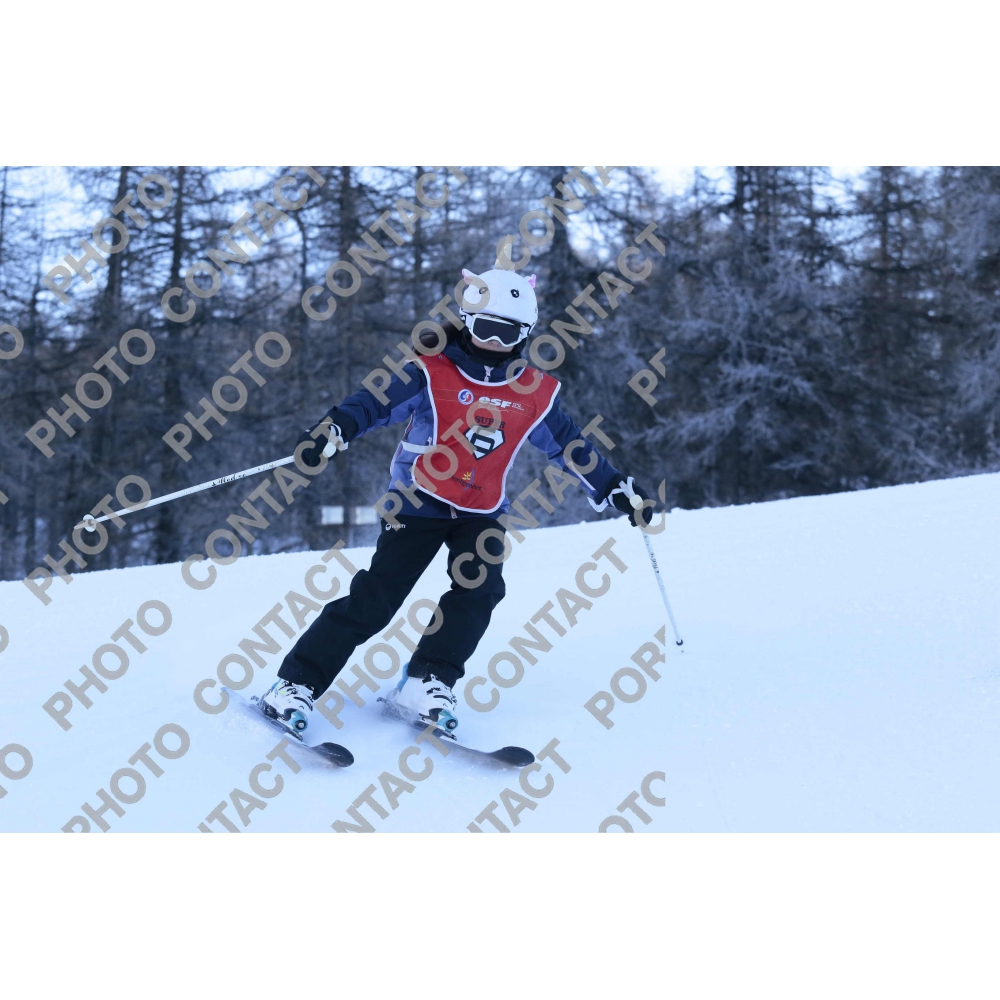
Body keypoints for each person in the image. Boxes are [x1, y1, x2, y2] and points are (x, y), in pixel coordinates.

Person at [260, 266, 654, 738]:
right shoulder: (430, 372)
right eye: (486, 328)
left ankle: (427, 680)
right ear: (467, 320)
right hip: (416, 501)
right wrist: (331, 430)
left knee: (480, 591)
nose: (495, 342)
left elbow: (571, 446)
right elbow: (372, 403)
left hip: (481, 509)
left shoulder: (534, 392)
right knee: (377, 598)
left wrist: (614, 486)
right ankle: (295, 683)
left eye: (508, 333)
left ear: (525, 334)